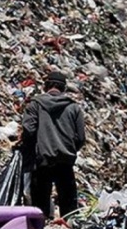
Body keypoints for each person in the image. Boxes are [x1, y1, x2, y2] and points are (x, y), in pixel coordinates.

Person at [21, 71, 86, 219]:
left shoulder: (35, 105)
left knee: (40, 201)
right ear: (63, 89)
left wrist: (32, 149)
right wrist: (69, 149)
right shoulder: (74, 108)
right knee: (68, 202)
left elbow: (28, 131)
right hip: (65, 161)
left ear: (46, 86)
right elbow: (81, 137)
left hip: (42, 161)